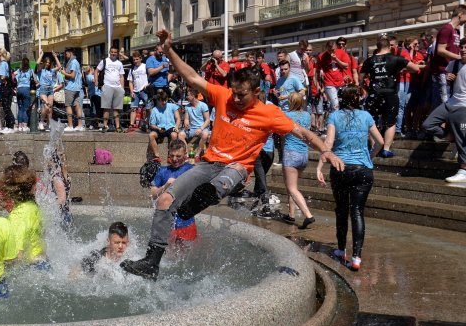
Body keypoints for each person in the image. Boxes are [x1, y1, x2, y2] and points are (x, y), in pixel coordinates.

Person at [122, 29, 344, 280]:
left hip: (236, 170)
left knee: (226, 177)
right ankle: (152, 262)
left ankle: (203, 198)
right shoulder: (225, 95)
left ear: (257, 92)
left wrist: (326, 150)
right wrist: (169, 49)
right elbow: (192, 77)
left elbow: (302, 132)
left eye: (242, 95)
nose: (236, 99)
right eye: (234, 92)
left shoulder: (269, 113)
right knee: (164, 200)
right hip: (209, 164)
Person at [317, 85, 385, 271]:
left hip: (340, 169)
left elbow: (328, 143)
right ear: (358, 99)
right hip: (363, 170)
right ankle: (356, 258)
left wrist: (320, 165)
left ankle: (340, 250)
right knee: (357, 212)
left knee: (341, 210)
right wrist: (369, 157)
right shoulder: (366, 116)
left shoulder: (334, 117)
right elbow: (380, 142)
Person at [360, 39, 422, 157]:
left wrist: (368, 90)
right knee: (390, 122)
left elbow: (360, 79)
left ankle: (375, 148)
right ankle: (386, 149)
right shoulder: (395, 58)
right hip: (390, 94)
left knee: (372, 121)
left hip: (374, 94)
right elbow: (415, 69)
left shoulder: (369, 60)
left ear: (377, 47)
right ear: (389, 47)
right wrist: (401, 69)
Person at [422, 38, 466, 183]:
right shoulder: (454, 64)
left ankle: (463, 169)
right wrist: (448, 79)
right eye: (462, 47)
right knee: (427, 125)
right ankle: (449, 136)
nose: (463, 50)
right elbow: (449, 82)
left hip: (464, 106)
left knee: (462, 136)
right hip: (451, 102)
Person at [0, 165, 47, 267]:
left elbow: (18, 255)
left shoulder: (18, 216)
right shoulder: (33, 206)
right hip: (43, 261)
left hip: (32, 268)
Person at [150, 140, 197, 247]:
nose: (175, 159)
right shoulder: (162, 171)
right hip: (166, 222)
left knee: (185, 257)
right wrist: (165, 186)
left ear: (185, 154)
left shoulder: (191, 169)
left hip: (186, 222)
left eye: (178, 156)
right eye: (172, 155)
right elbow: (153, 195)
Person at [281, 92, 315, 228]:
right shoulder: (307, 115)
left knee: (292, 188)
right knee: (293, 187)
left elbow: (282, 133)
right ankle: (291, 215)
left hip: (291, 153)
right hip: (303, 154)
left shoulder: (287, 115)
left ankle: (308, 215)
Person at [430, 5, 466, 109]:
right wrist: (459, 57)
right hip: (443, 72)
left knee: (450, 102)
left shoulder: (456, 31)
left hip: (451, 72)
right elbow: (440, 50)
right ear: (460, 15)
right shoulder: (447, 29)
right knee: (444, 104)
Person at [147, 90, 184, 160]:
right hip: (160, 128)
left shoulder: (172, 106)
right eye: (162, 101)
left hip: (170, 127)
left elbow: (178, 118)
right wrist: (158, 128)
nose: (164, 102)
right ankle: (157, 155)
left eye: (165, 100)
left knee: (174, 135)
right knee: (151, 135)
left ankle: (171, 155)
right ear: (158, 100)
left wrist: (176, 126)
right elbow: (152, 124)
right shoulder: (154, 110)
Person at [96, 47, 126, 132]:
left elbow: (121, 76)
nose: (113, 53)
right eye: (112, 52)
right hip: (107, 86)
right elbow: (96, 70)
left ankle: (117, 127)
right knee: (106, 107)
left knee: (117, 108)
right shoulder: (105, 61)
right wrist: (96, 81)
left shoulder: (119, 63)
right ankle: (105, 126)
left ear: (117, 53)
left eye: (115, 52)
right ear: (109, 52)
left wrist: (122, 88)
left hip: (117, 87)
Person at [317, 40, 348, 112]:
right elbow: (317, 70)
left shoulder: (341, 52)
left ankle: (331, 119)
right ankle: (336, 121)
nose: (331, 52)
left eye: (333, 50)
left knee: (340, 103)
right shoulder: (321, 56)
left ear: (336, 47)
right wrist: (320, 71)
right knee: (335, 104)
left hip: (340, 82)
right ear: (326, 48)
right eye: (329, 50)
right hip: (329, 83)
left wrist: (336, 59)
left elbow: (346, 66)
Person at [62, 48, 85, 132]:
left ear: (70, 53)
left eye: (66, 53)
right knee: (77, 106)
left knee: (68, 106)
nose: (66, 55)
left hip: (71, 87)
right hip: (77, 88)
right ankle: (80, 125)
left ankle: (70, 125)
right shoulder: (76, 62)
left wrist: (64, 73)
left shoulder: (73, 62)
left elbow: (72, 75)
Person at [183, 88, 210, 157]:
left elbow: (207, 120)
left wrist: (201, 129)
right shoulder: (187, 106)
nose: (187, 97)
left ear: (193, 96)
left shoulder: (203, 105)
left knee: (205, 134)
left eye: (188, 95)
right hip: (191, 128)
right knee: (180, 135)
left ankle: (197, 154)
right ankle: (186, 153)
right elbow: (186, 118)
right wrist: (186, 123)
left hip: (202, 128)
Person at [127, 51, 149, 131]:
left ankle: (146, 124)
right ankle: (131, 124)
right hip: (135, 91)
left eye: (137, 59)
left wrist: (148, 85)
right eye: (134, 60)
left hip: (144, 90)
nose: (135, 61)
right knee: (133, 108)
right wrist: (132, 91)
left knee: (148, 107)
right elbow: (130, 81)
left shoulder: (145, 66)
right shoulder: (132, 69)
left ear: (140, 58)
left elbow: (150, 76)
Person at [0, 48, 15, 133]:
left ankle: (11, 125)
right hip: (6, 87)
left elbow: (2, 77)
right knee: (6, 106)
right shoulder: (5, 63)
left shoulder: (3, 64)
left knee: (6, 106)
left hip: (4, 87)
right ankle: (8, 126)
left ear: (0, 54)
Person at [14, 57, 35, 132]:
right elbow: (35, 80)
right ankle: (25, 125)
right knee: (26, 108)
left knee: (20, 108)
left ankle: (19, 125)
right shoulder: (30, 70)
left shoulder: (19, 70)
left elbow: (13, 75)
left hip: (19, 89)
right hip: (26, 89)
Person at [36, 52, 56, 130]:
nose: (47, 64)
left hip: (50, 89)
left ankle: (49, 124)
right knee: (46, 107)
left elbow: (60, 66)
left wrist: (55, 56)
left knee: (50, 109)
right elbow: (37, 63)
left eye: (49, 62)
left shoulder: (51, 71)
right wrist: (41, 54)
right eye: (46, 62)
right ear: (44, 62)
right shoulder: (41, 70)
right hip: (43, 89)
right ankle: (41, 122)